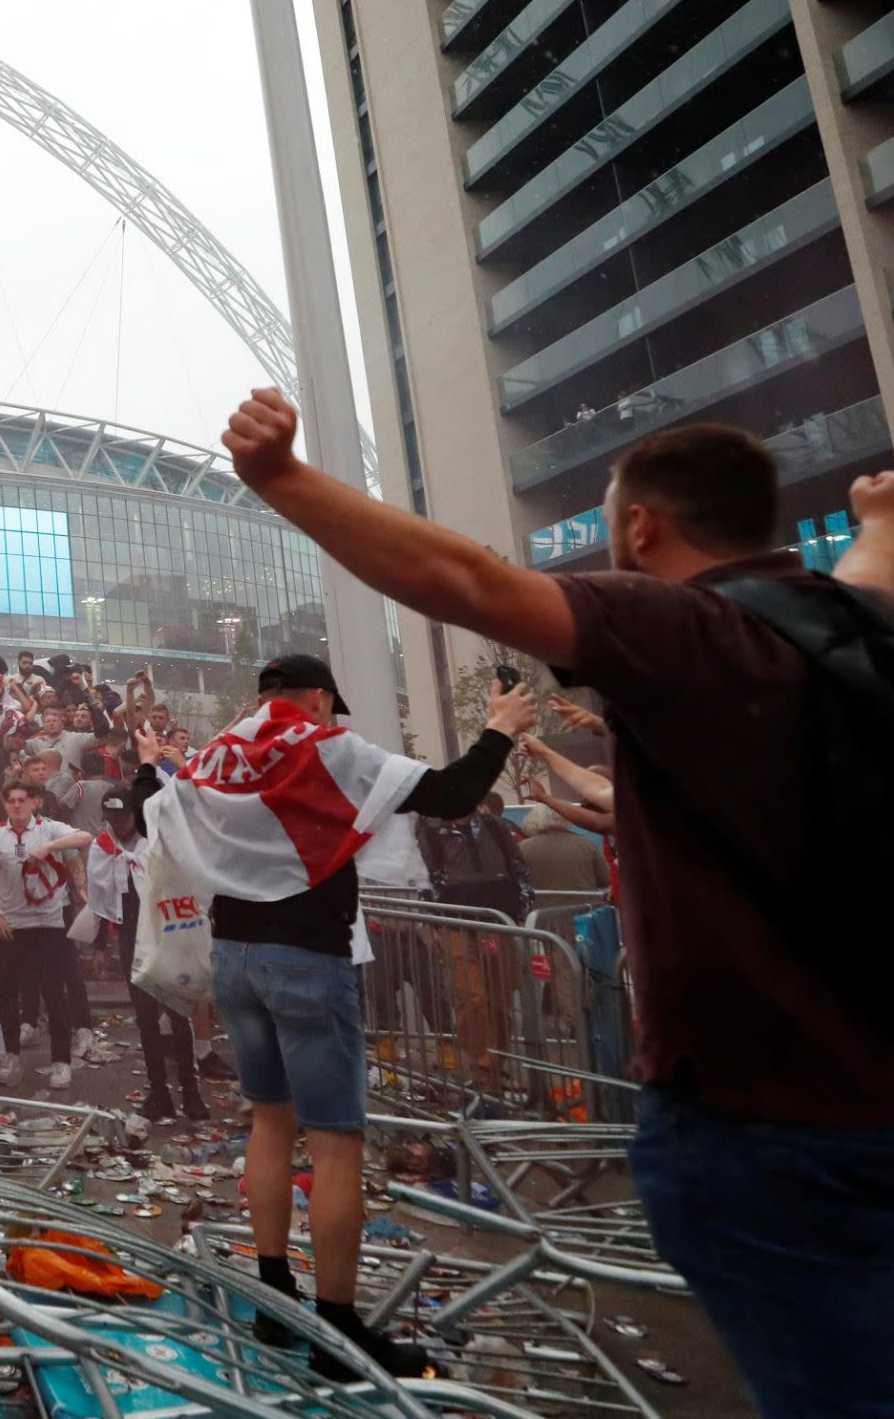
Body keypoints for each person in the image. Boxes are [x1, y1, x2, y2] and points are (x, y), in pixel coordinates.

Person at [220, 388, 894, 1413]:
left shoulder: (685, 628)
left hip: (767, 1120)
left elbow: (464, 578)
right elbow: (859, 584)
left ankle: (292, 1299)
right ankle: (315, 1304)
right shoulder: (859, 631)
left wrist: (283, 479)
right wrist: (878, 524)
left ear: (639, 527)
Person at [127, 659, 526, 1377]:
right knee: (336, 1143)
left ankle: (274, 1300)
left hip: (236, 962)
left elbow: (146, 808)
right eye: (327, 705)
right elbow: (452, 792)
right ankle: (336, 1332)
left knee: (268, 1122)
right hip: (307, 963)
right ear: (315, 698)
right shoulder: (327, 749)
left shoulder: (218, 754)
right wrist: (497, 729)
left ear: (258, 698)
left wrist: (148, 762)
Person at [88, 785, 204, 1121]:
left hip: (166, 935)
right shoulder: (104, 847)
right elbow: (102, 901)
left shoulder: (156, 843)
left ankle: (191, 1091)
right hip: (130, 938)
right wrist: (99, 945)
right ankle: (159, 1092)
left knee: (179, 1015)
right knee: (146, 1019)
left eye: (123, 817)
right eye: (112, 818)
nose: (118, 825)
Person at [0, 778, 93, 1089]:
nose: (16, 805)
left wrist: (49, 848)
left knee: (54, 994)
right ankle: (10, 1054)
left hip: (48, 925)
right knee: (6, 994)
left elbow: (85, 837)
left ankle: (60, 1062)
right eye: (10, 800)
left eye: (22, 800)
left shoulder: (48, 827)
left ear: (34, 802)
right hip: (13, 926)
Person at [515, 805, 609, 896]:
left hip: (540, 909)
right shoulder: (586, 844)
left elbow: (517, 881)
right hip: (584, 907)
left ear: (533, 820)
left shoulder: (523, 847)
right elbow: (604, 880)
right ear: (565, 818)